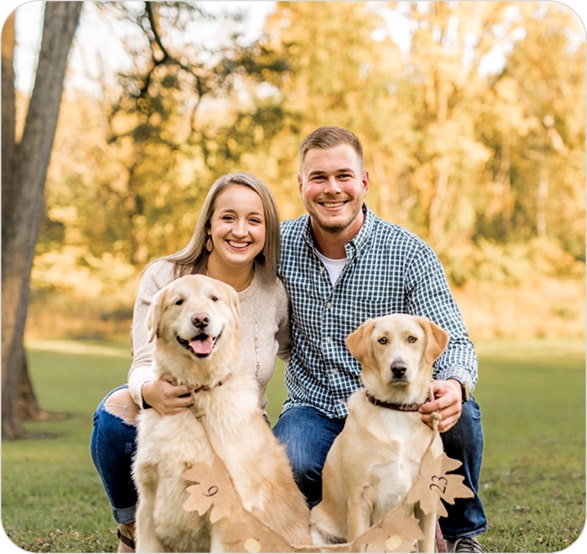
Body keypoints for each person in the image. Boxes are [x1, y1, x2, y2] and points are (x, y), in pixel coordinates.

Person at [272, 126, 487, 553]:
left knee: (460, 415)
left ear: (364, 181)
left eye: (343, 176)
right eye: (318, 177)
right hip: (316, 407)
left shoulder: (409, 253)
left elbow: (457, 342)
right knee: (291, 455)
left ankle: (460, 533)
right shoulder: (278, 248)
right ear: (301, 186)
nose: (332, 189)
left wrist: (454, 384)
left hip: (399, 403)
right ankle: (336, 528)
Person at [90, 172, 290, 552]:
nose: (240, 230)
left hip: (236, 422)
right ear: (209, 227)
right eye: (228, 217)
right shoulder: (165, 277)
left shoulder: (273, 290)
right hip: (172, 410)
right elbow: (144, 355)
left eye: (254, 220)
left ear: (267, 232)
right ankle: (132, 528)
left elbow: (296, 350)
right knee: (114, 414)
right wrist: (150, 391)